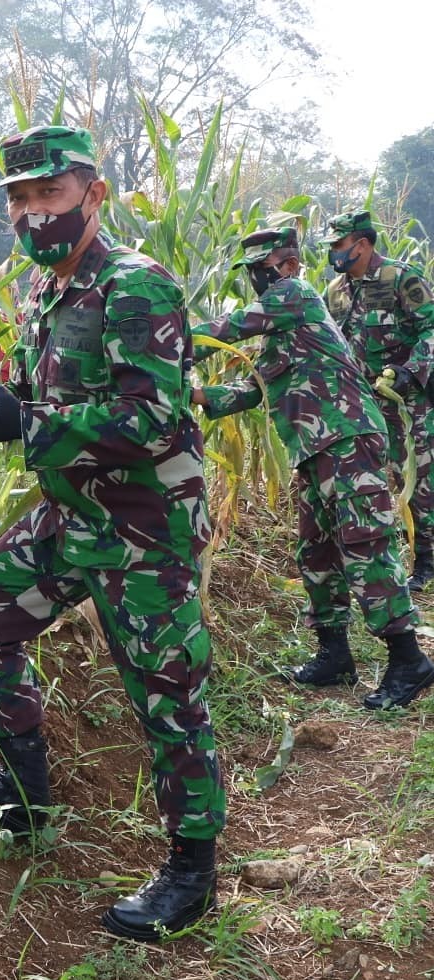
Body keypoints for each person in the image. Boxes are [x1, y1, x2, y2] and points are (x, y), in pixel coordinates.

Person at [0, 125, 225, 941]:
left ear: (93, 196)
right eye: (19, 199)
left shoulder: (134, 285)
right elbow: (49, 396)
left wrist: (23, 422)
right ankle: (22, 792)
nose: (33, 211)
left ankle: (192, 874)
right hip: (74, 512)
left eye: (49, 193)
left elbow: (154, 418)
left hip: (144, 526)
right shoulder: (47, 291)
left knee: (168, 698)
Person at [192, 227, 434, 710]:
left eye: (261, 270)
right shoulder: (286, 330)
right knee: (317, 552)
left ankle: (409, 660)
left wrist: (158, 347)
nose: (257, 281)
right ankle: (334, 655)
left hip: (346, 439)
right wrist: (198, 396)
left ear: (284, 265)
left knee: (367, 546)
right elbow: (258, 385)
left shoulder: (296, 295)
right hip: (313, 447)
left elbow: (222, 331)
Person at [322, 210, 434, 592]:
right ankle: (388, 559)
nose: (334, 253)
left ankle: (426, 562)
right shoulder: (335, 292)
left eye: (339, 246)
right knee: (375, 483)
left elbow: (431, 329)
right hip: (362, 403)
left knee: (418, 479)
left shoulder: (401, 278)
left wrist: (409, 371)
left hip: (409, 401)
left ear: (363, 244)